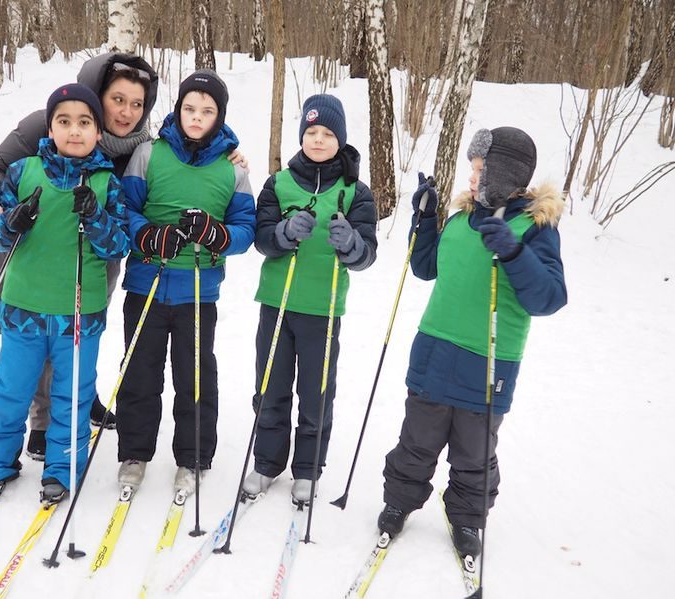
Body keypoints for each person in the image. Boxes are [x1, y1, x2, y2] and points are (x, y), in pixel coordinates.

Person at [0, 53, 245, 461]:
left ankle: (79, 401)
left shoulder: (140, 147)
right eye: (117, 100)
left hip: (93, 254)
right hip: (35, 252)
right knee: (36, 334)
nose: (127, 112)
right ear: (98, 96)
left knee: (77, 332)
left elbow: (164, 175)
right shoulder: (50, 122)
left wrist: (225, 154)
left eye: (137, 104)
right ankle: (43, 421)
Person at [378, 127, 567, 557]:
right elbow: (425, 267)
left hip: (489, 362)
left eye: (480, 169)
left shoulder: (534, 227)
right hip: (434, 350)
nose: (472, 178)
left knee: (474, 452)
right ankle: (399, 501)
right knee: (416, 440)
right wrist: (425, 219)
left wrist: (515, 253)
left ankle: (466, 518)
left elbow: (550, 298)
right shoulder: (461, 218)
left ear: (504, 173)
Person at [0, 84, 130, 501]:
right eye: (64, 121)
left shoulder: (107, 183)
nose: (74, 130)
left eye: (84, 122)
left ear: (98, 132)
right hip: (24, 309)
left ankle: (63, 466)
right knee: (11, 391)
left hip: (80, 314)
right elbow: (1, 238)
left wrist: (95, 218)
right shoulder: (23, 172)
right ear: (50, 128)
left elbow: (118, 247)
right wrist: (13, 222)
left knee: (72, 396)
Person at [117, 69, 255, 495]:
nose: (196, 117)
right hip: (147, 284)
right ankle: (134, 453)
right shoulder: (148, 154)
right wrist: (147, 234)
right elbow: (124, 208)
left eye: (207, 111)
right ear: (177, 110)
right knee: (139, 372)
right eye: (189, 108)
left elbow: (246, 227)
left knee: (195, 376)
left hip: (198, 290)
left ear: (219, 116)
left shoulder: (233, 169)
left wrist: (219, 235)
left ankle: (193, 457)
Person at [242, 94, 377, 504]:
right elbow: (261, 238)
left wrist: (351, 243)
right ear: (302, 136)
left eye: (328, 134)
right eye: (312, 132)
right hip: (278, 304)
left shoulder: (355, 192)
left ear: (341, 139)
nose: (318, 140)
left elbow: (367, 254)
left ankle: (307, 468)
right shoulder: (279, 183)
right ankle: (267, 462)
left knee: (316, 393)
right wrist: (283, 233)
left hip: (322, 308)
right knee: (271, 386)